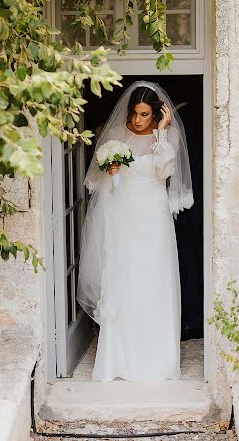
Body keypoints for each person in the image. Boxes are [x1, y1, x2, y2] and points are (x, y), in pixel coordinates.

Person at [77, 81, 193, 382]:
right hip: (123, 213)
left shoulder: (168, 134)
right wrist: (110, 172)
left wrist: (163, 132)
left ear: (156, 114)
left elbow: (164, 172)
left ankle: (157, 360)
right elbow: (101, 182)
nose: (137, 120)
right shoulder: (116, 135)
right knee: (124, 277)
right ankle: (119, 360)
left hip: (153, 214)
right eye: (135, 113)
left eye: (144, 114)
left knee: (154, 279)